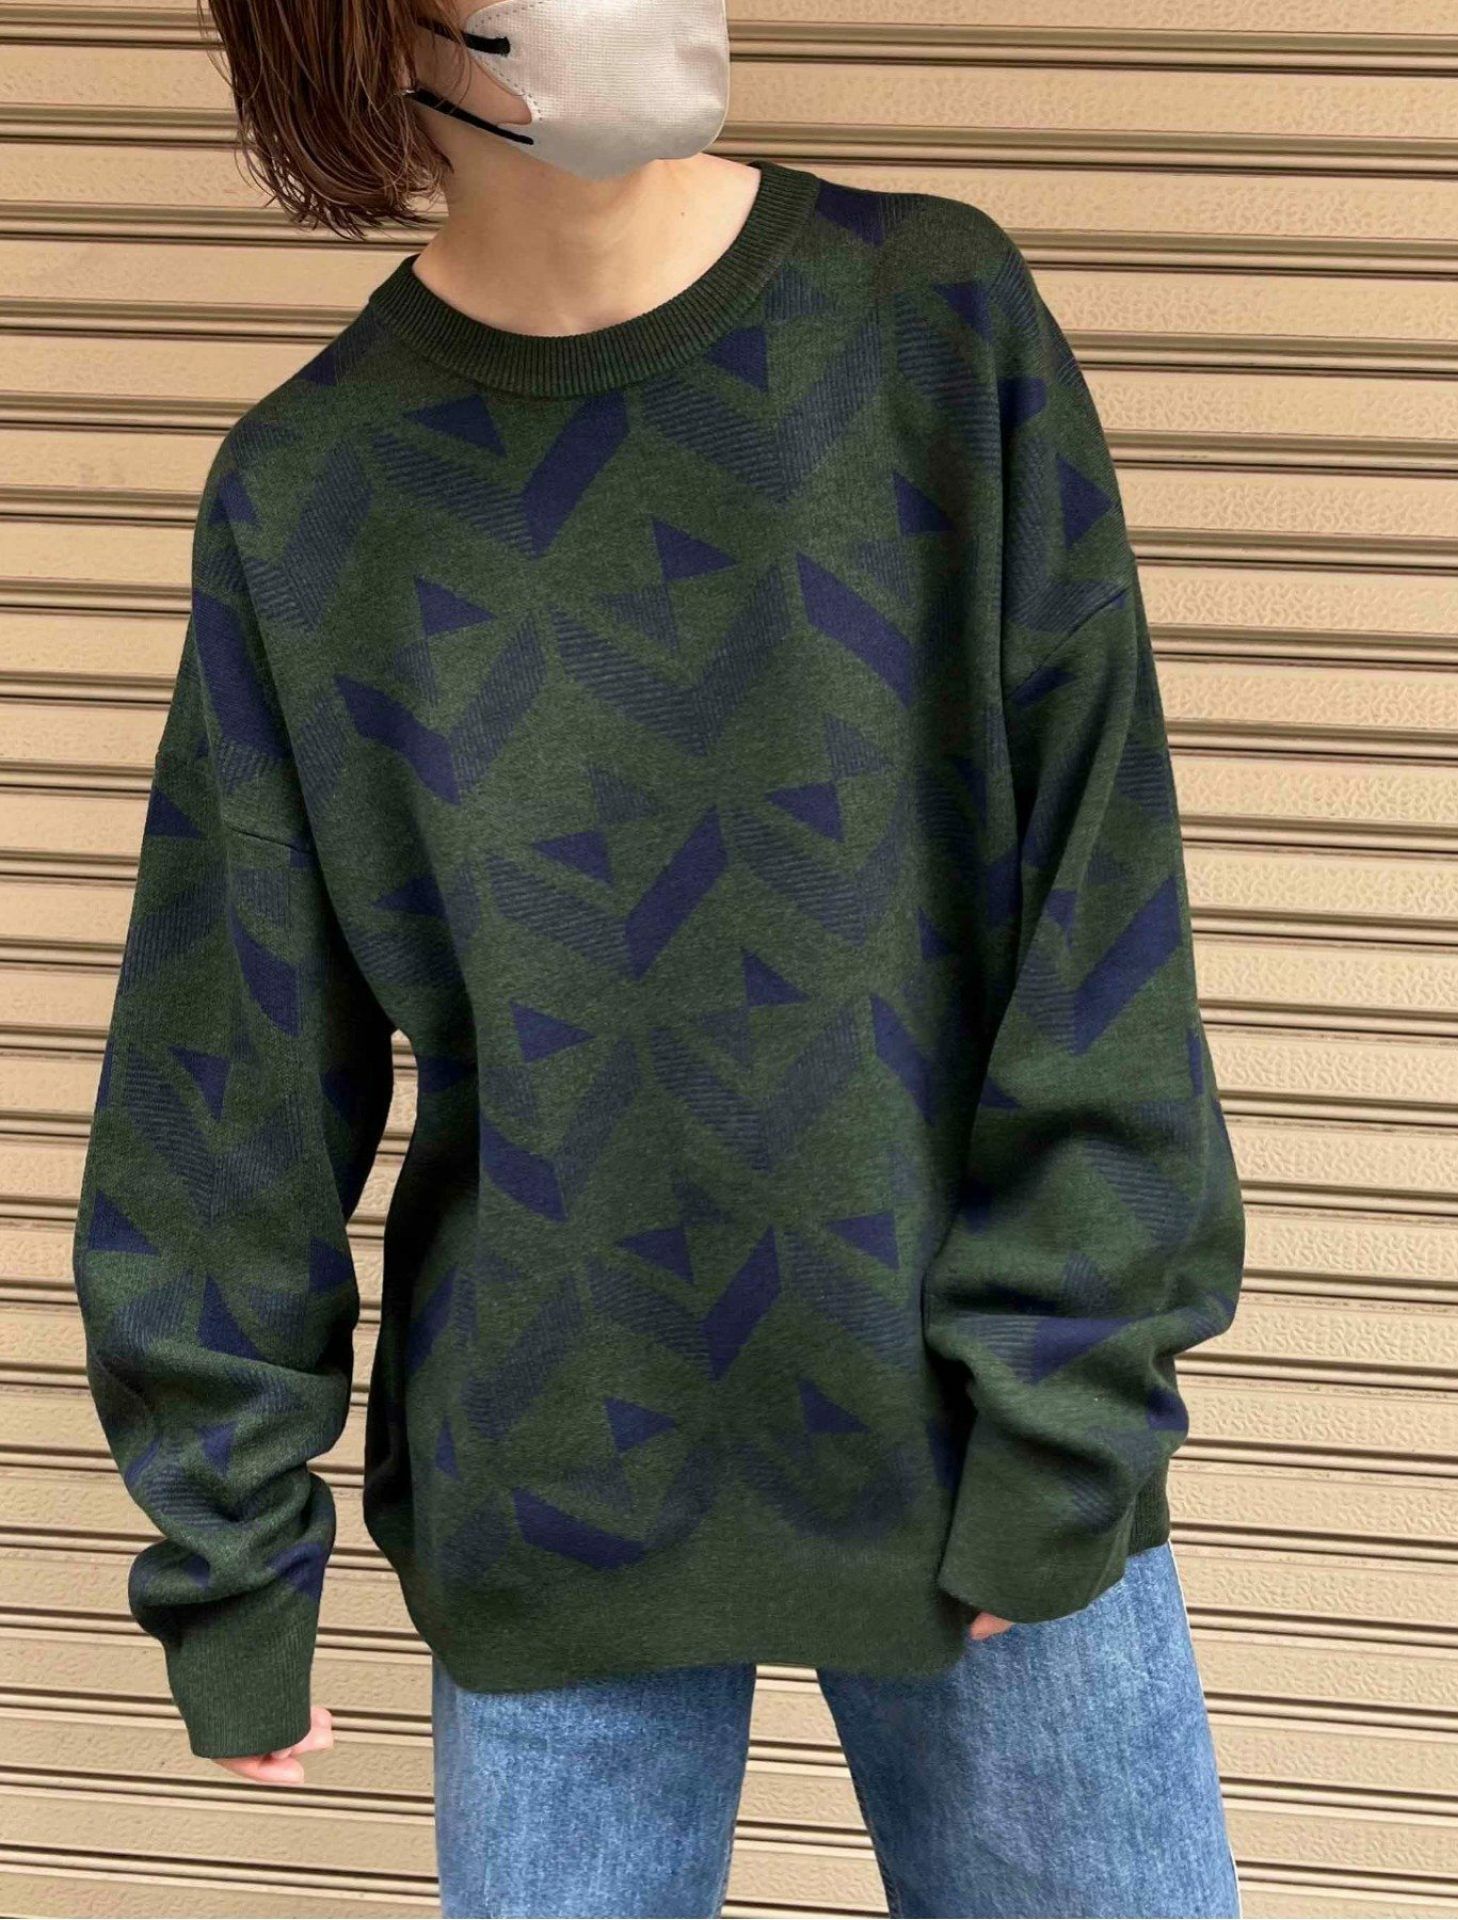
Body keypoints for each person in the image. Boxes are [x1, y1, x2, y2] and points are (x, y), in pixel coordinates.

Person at [69, 0, 1248, 1913]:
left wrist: (1068, 1404)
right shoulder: (314, 493)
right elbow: (227, 1061)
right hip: (559, 1484)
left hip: (988, 1452)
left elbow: (1102, 909)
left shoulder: (931, 328)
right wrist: (229, 1550)